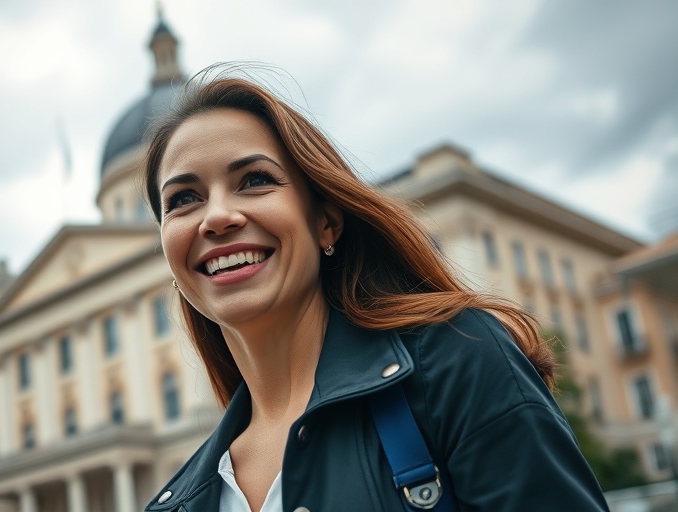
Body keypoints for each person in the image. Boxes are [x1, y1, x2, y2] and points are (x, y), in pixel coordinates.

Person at [141, 71, 609, 512]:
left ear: (326, 222)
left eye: (255, 180)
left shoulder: (457, 360)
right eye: (183, 199)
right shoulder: (180, 500)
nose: (217, 216)